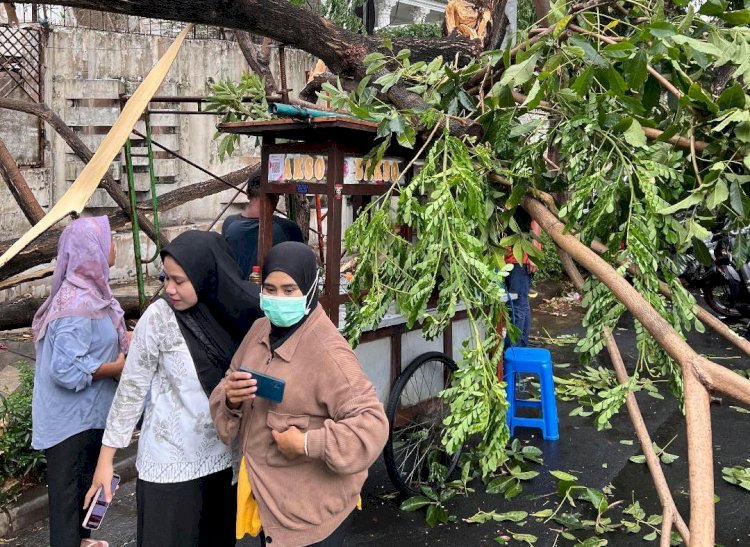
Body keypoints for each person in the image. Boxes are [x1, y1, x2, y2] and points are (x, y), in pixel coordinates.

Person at [85, 230, 262, 547]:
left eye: (179, 281)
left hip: (223, 460)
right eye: (166, 279)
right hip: (170, 465)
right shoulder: (159, 317)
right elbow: (131, 391)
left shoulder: (237, 314)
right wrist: (105, 460)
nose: (169, 289)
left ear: (206, 275)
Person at [210, 241, 389, 547]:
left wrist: (308, 443)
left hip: (308, 518)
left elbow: (372, 426)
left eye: (289, 290)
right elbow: (227, 384)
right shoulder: (258, 331)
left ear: (308, 291)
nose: (278, 298)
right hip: (260, 499)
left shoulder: (329, 354)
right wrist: (231, 398)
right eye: (270, 288)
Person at [31, 216, 129, 547]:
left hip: (88, 419)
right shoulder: (76, 303)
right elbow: (66, 369)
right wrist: (114, 368)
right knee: (69, 512)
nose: (115, 245)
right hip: (70, 427)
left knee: (85, 506)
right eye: (110, 239)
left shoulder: (96, 295)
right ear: (93, 249)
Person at [222, 171, 305, 279]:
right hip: (272, 294)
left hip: (236, 294)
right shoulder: (288, 228)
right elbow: (300, 267)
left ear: (247, 194)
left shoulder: (229, 224)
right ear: (276, 198)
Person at [504, 209, 542, 347]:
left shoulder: (524, 193)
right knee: (521, 304)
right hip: (512, 257)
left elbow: (536, 220)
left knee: (516, 306)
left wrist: (533, 254)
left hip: (520, 258)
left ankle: (513, 349)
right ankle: (520, 347)